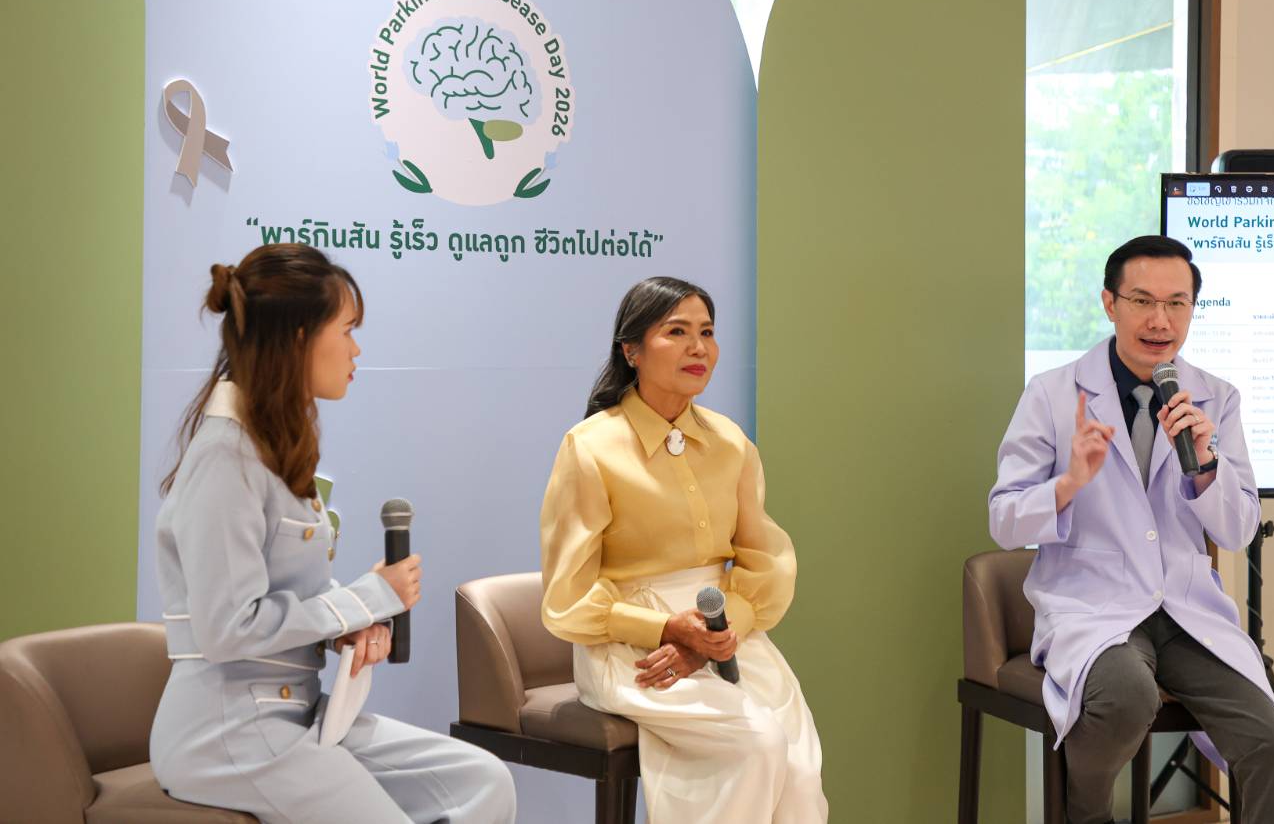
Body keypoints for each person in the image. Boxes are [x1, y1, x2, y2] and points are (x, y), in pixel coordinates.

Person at [150, 244, 515, 822]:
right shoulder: (225, 457)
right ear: (299, 337)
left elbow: (289, 597)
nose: (356, 348)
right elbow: (227, 628)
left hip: (297, 713)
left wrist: (349, 625)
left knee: (483, 782)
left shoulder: (271, 447)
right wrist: (364, 601)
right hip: (227, 733)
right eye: (346, 330)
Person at [989, 236, 1274, 824]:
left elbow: (1239, 530)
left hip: (1185, 609)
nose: (1160, 320)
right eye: (1142, 301)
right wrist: (1068, 483)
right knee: (1125, 697)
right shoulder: (1053, 394)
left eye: (1176, 303)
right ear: (1110, 303)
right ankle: (1087, 815)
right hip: (1094, 606)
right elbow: (1005, 519)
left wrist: (1207, 465)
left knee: (1271, 740)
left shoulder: (1217, 399)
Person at [539, 277, 827, 824]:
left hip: (729, 633)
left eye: (707, 332)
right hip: (628, 650)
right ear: (631, 350)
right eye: (677, 332)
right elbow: (565, 599)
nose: (699, 348)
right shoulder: (589, 446)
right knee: (757, 743)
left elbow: (766, 563)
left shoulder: (731, 442)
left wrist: (716, 636)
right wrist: (668, 631)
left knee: (799, 768)